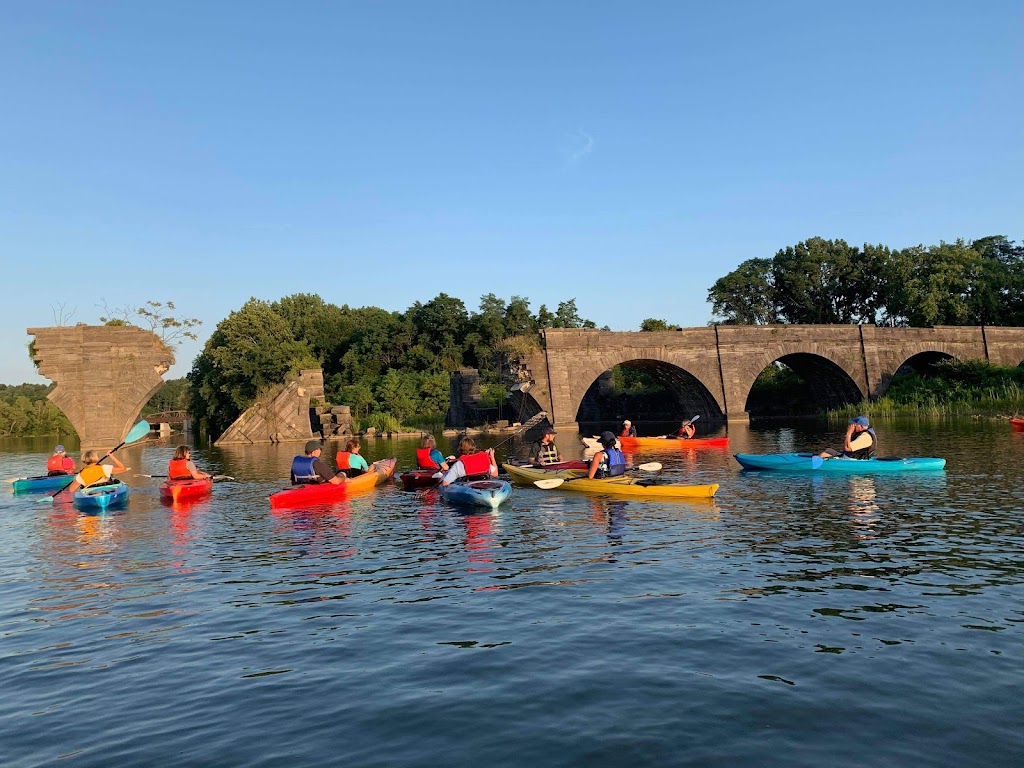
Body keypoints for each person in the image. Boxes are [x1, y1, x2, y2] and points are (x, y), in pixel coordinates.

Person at [62, 449, 128, 495]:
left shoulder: (81, 474)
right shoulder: (104, 468)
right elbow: (122, 468)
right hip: (108, 491)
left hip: (92, 494)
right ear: (96, 458)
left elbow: (71, 490)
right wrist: (112, 456)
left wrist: (75, 479)